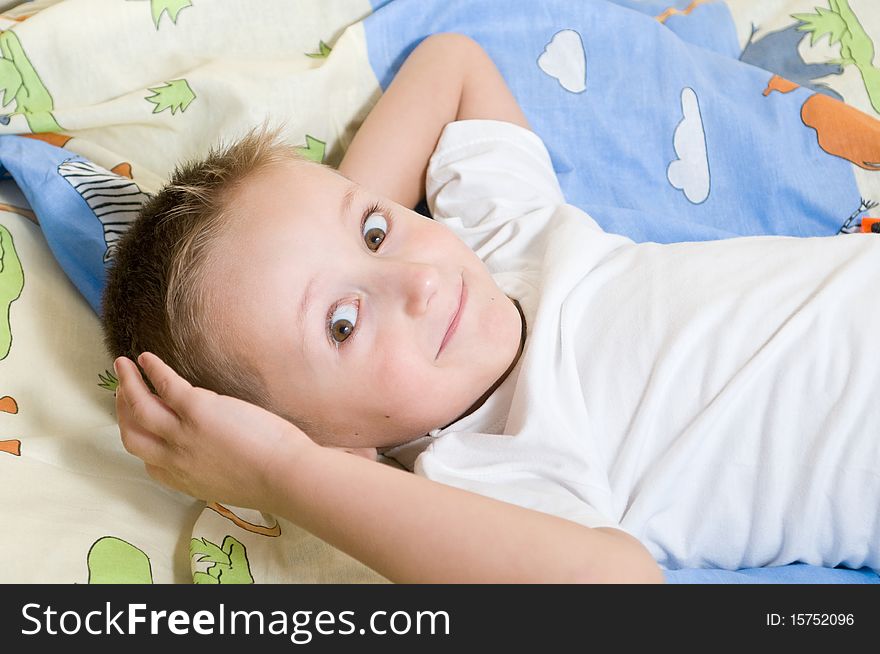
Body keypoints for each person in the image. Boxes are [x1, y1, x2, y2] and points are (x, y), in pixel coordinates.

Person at [104, 33, 880, 583]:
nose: (420, 281)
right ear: (336, 452)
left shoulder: (506, 238)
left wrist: (350, 227)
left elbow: (452, 63)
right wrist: (284, 470)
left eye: (376, 231)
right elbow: (613, 589)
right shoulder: (479, 476)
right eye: (343, 324)